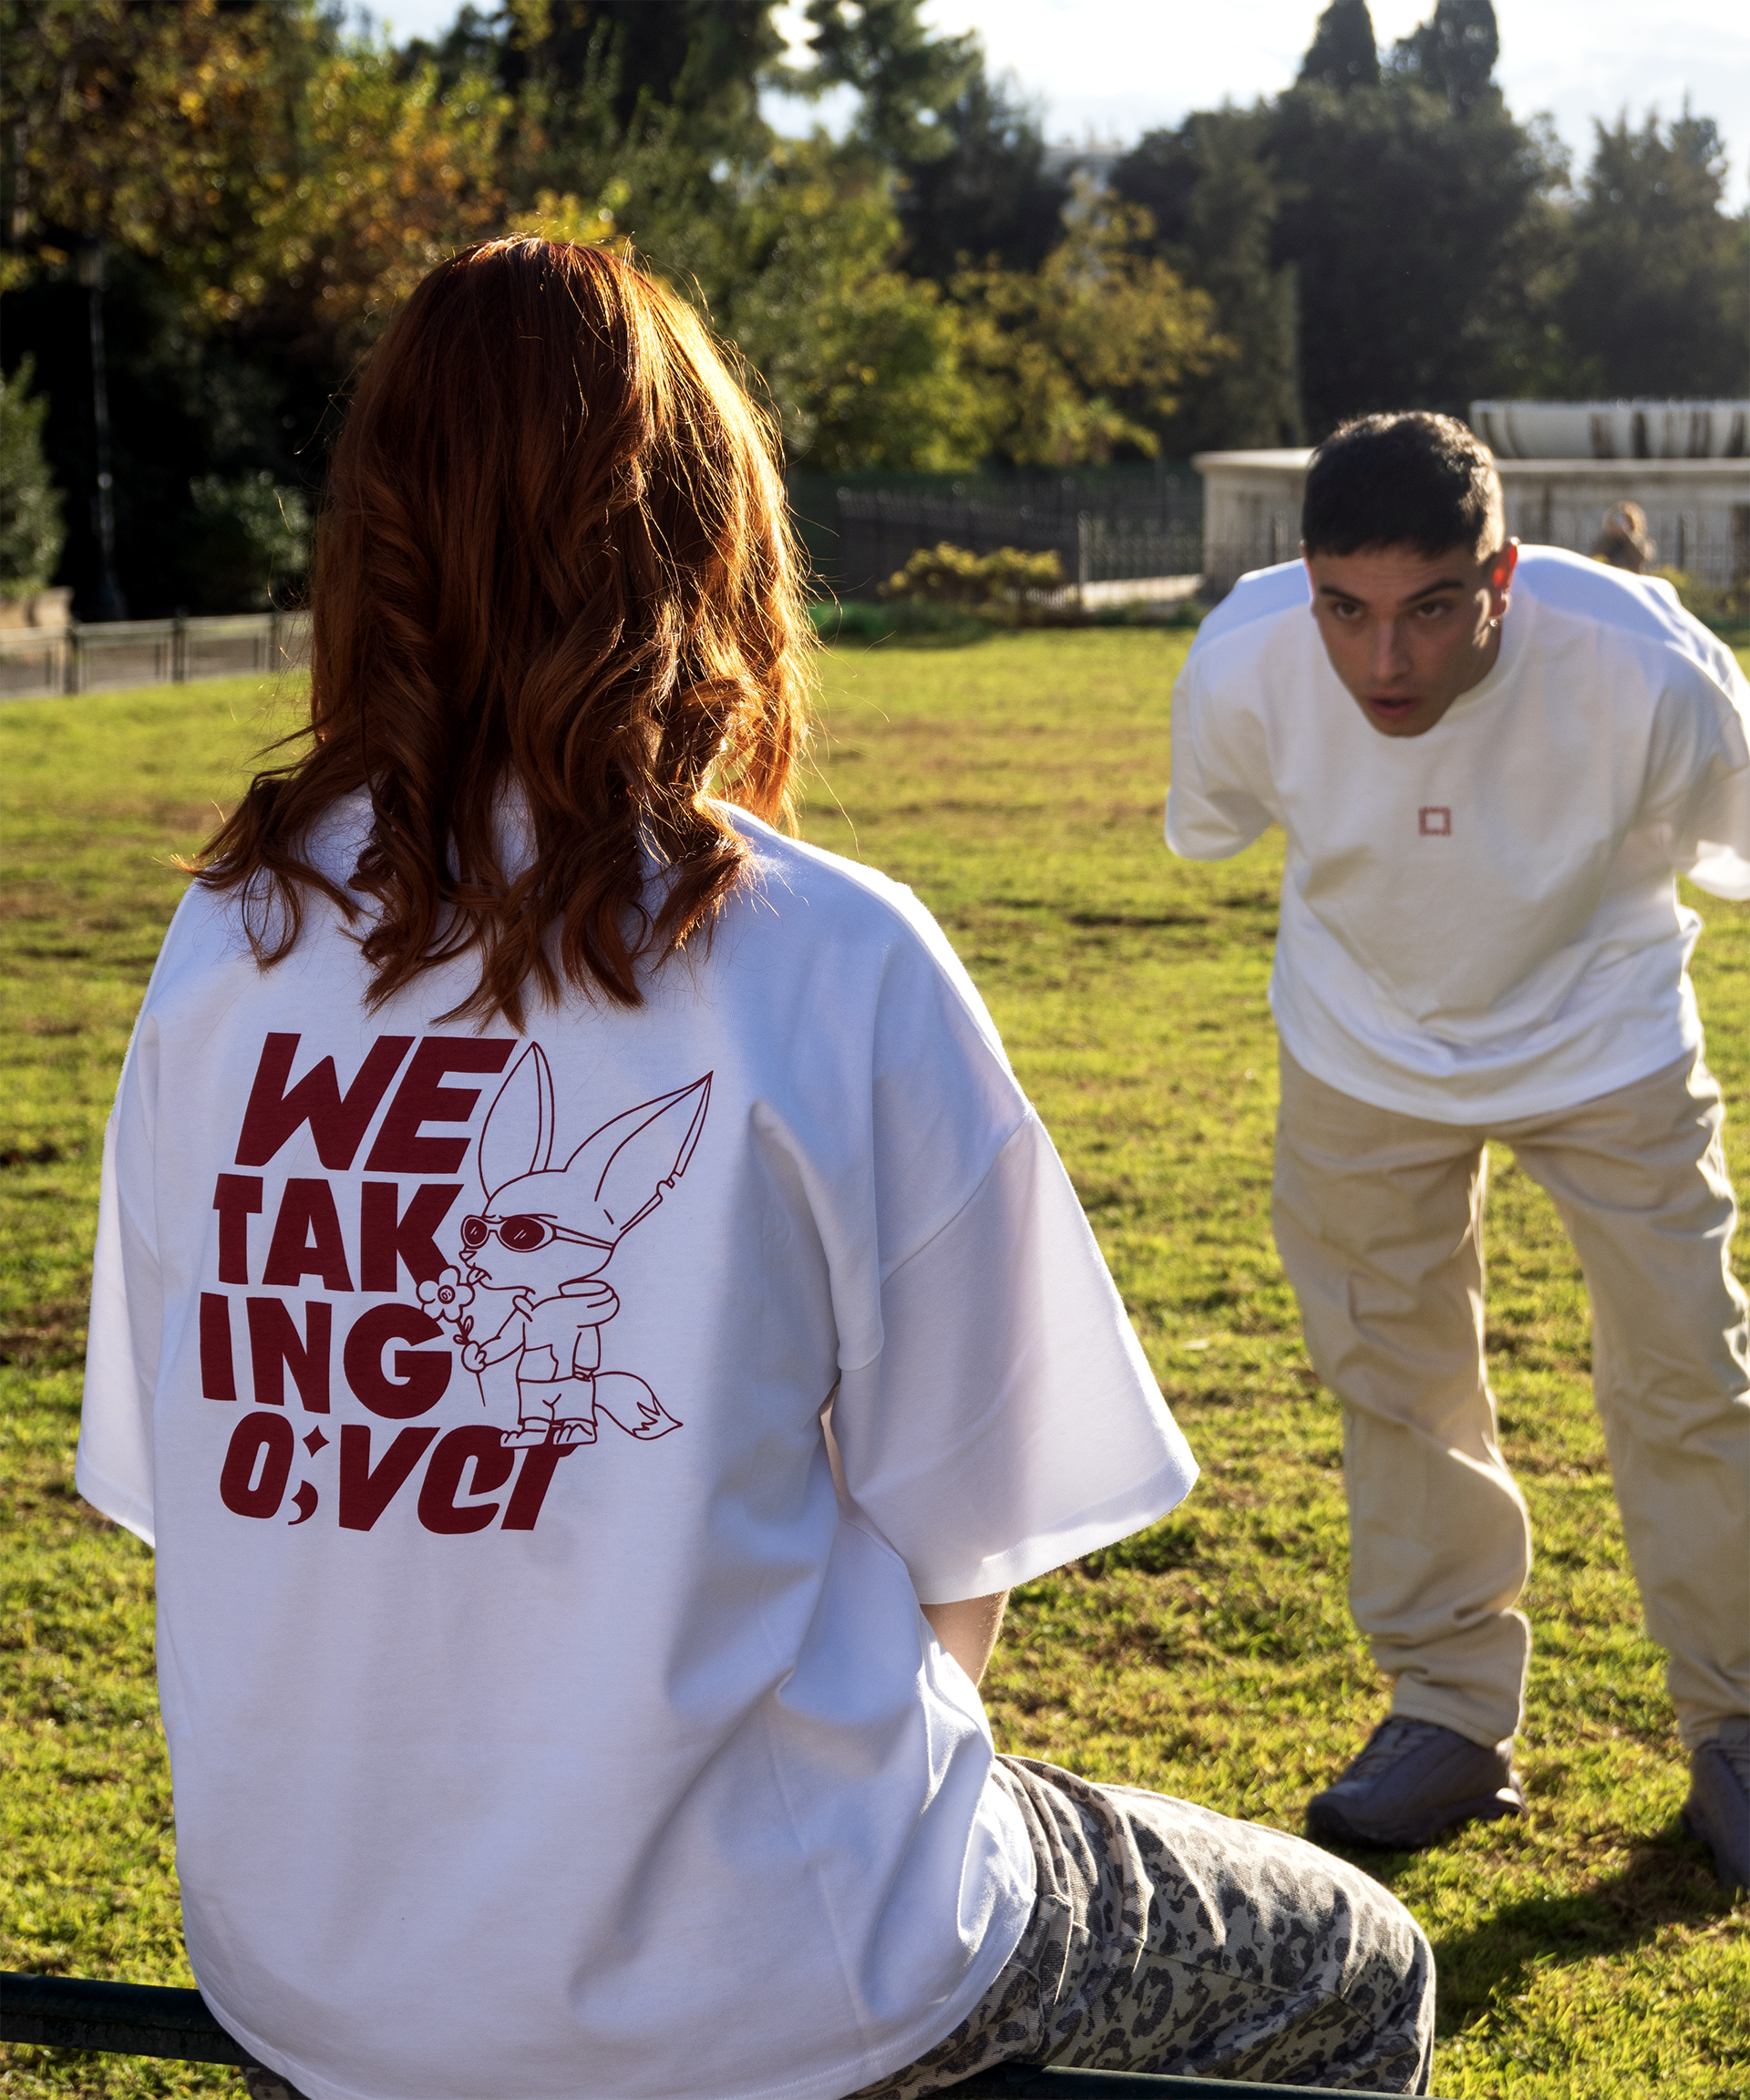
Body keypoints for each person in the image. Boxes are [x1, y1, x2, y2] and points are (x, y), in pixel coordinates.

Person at [77, 242, 1435, 2100]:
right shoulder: (826, 953)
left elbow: (199, 1494)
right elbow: (969, 1552)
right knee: (1357, 1969)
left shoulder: (223, 946)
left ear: (370, 538)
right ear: (707, 536)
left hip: (309, 1981)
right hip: (770, 1976)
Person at [1166, 411, 1750, 1889]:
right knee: (1394, 1375)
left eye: (1429, 610)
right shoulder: (1242, 661)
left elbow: (1724, 852)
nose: (1384, 664)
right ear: (1303, 584)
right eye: (1345, 612)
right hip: (1361, 1043)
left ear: (1502, 573)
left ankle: (1740, 1722)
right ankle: (1448, 1711)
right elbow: (1226, 833)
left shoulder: (1651, 670)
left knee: (1692, 1366)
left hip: (1605, 1035)